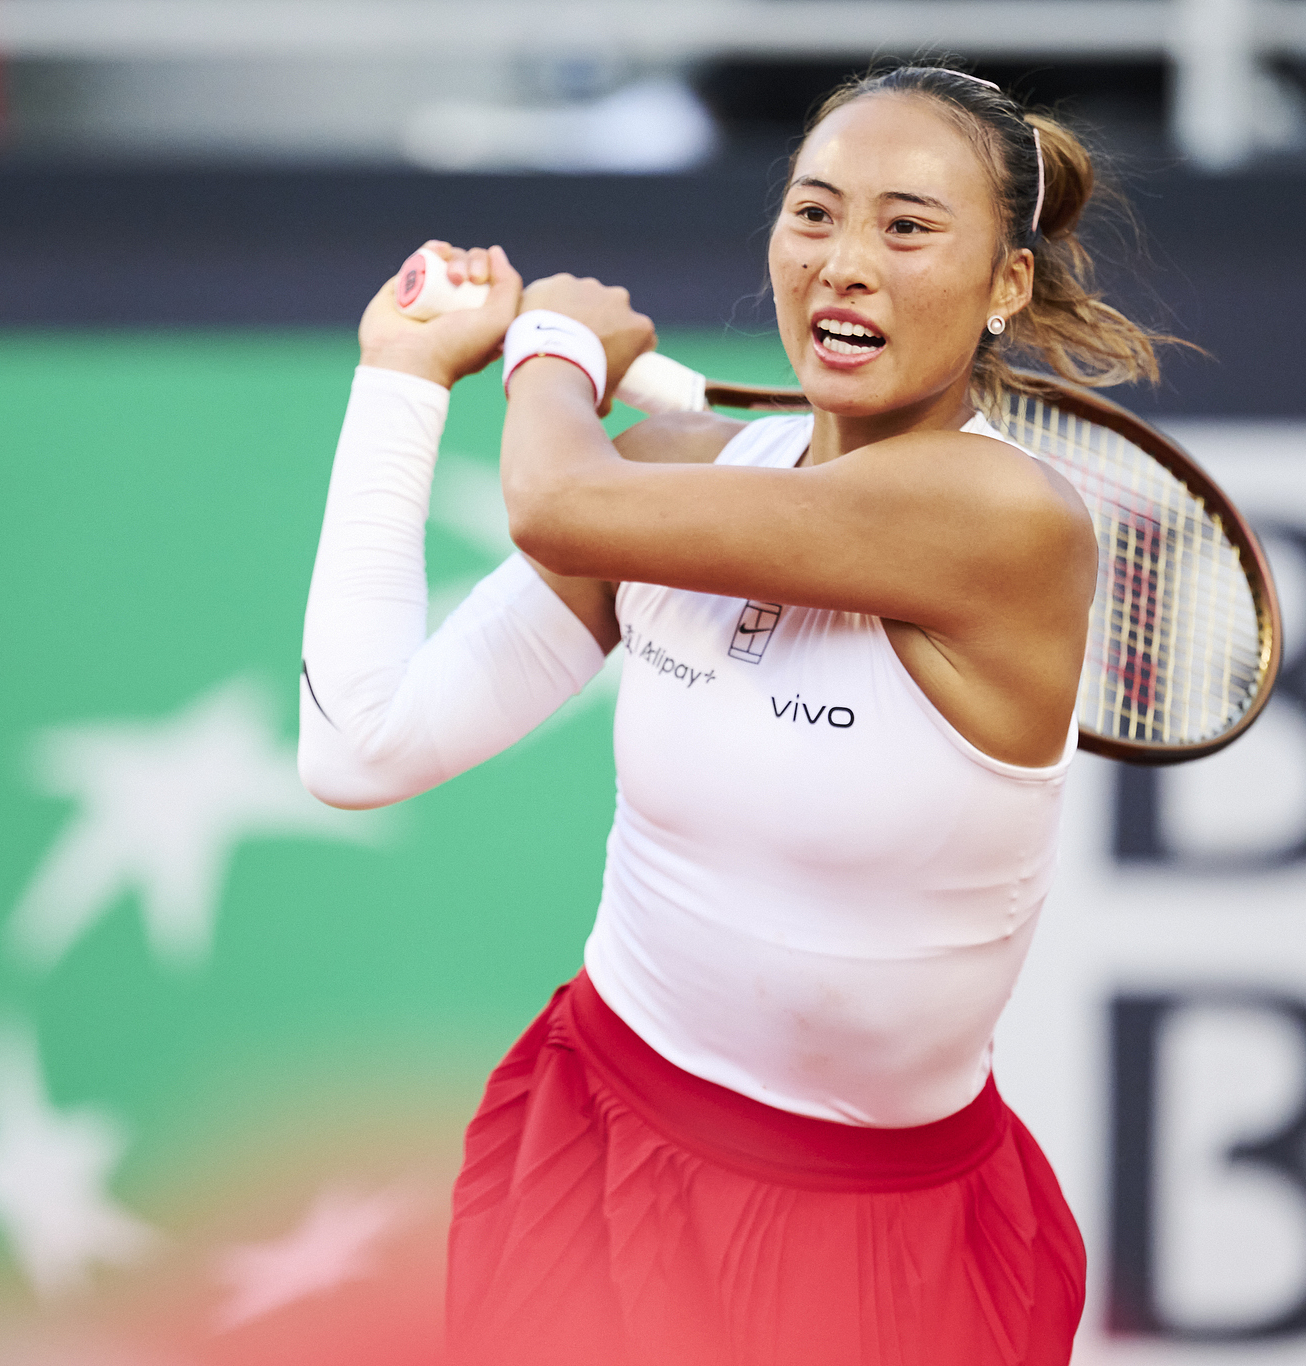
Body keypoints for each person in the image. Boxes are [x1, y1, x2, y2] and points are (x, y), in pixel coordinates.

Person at [298, 63, 1165, 1366]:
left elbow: (553, 500)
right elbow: (359, 745)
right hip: (592, 1143)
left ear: (1005, 285)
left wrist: (554, 349)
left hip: (879, 1251)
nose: (845, 262)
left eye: (908, 225)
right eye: (814, 214)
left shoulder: (1007, 519)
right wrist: (404, 377)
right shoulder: (666, 477)